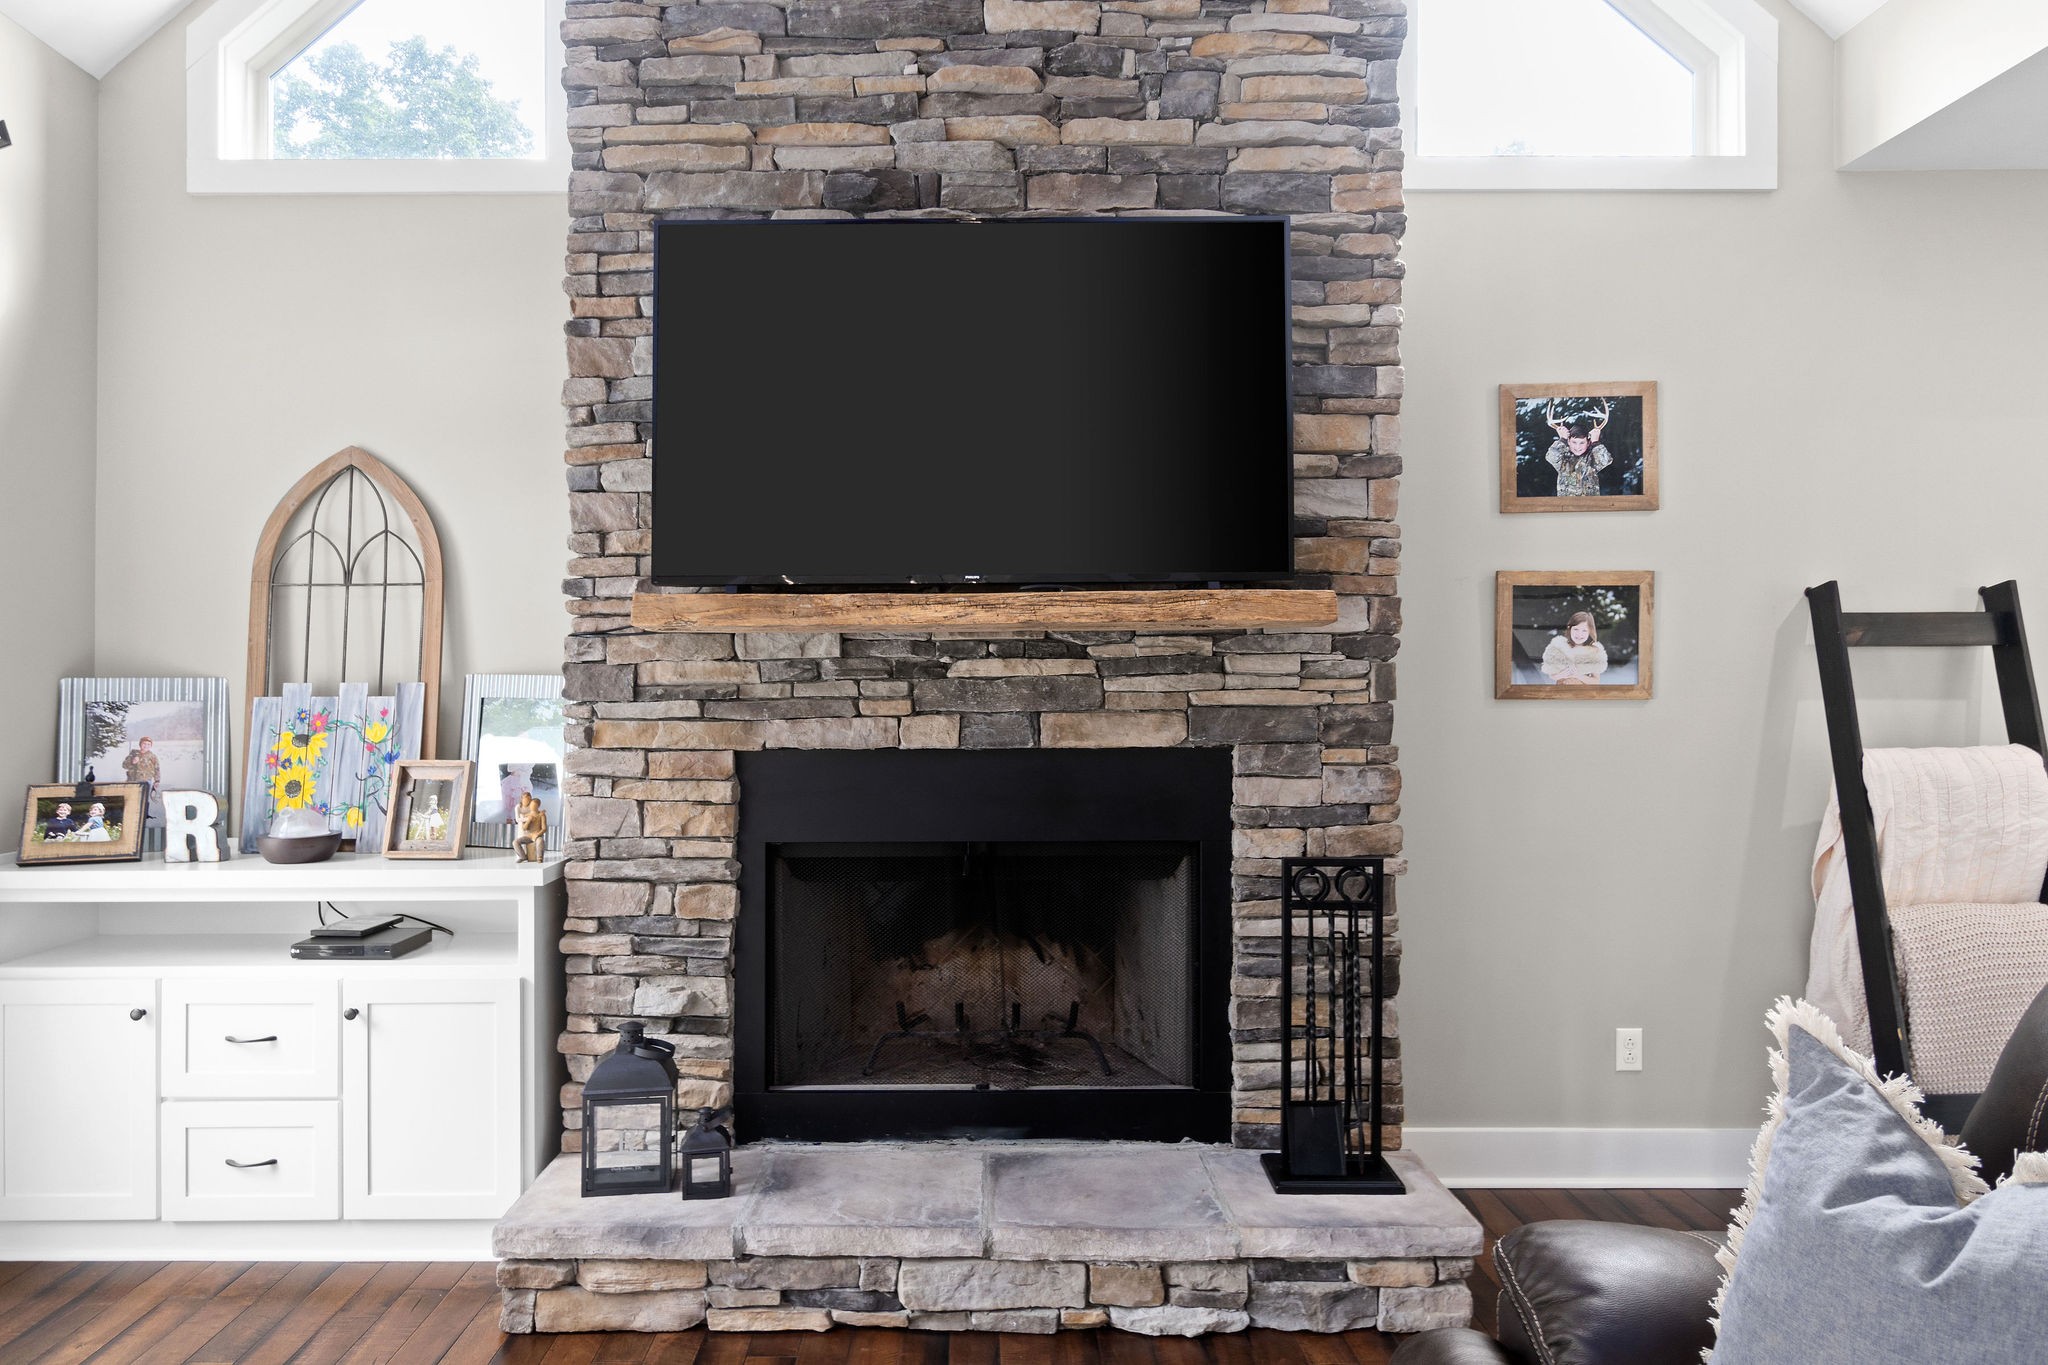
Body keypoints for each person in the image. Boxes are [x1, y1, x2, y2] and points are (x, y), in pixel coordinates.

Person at [1544, 399, 1613, 497]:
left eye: (1582, 443)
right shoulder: (1563, 459)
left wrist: (1596, 442)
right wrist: (1562, 439)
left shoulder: (1592, 459)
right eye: (1574, 442)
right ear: (1568, 442)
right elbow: (1551, 456)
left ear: (1588, 443)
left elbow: (1605, 460)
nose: (1577, 447)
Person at [1541, 611, 1609, 685]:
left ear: (1590, 631)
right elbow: (1552, 675)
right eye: (1576, 629)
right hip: (1561, 692)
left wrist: (1578, 676)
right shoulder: (1558, 648)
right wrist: (1561, 675)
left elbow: (1596, 681)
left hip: (1582, 694)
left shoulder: (1594, 652)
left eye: (1584, 630)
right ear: (1570, 628)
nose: (1579, 634)